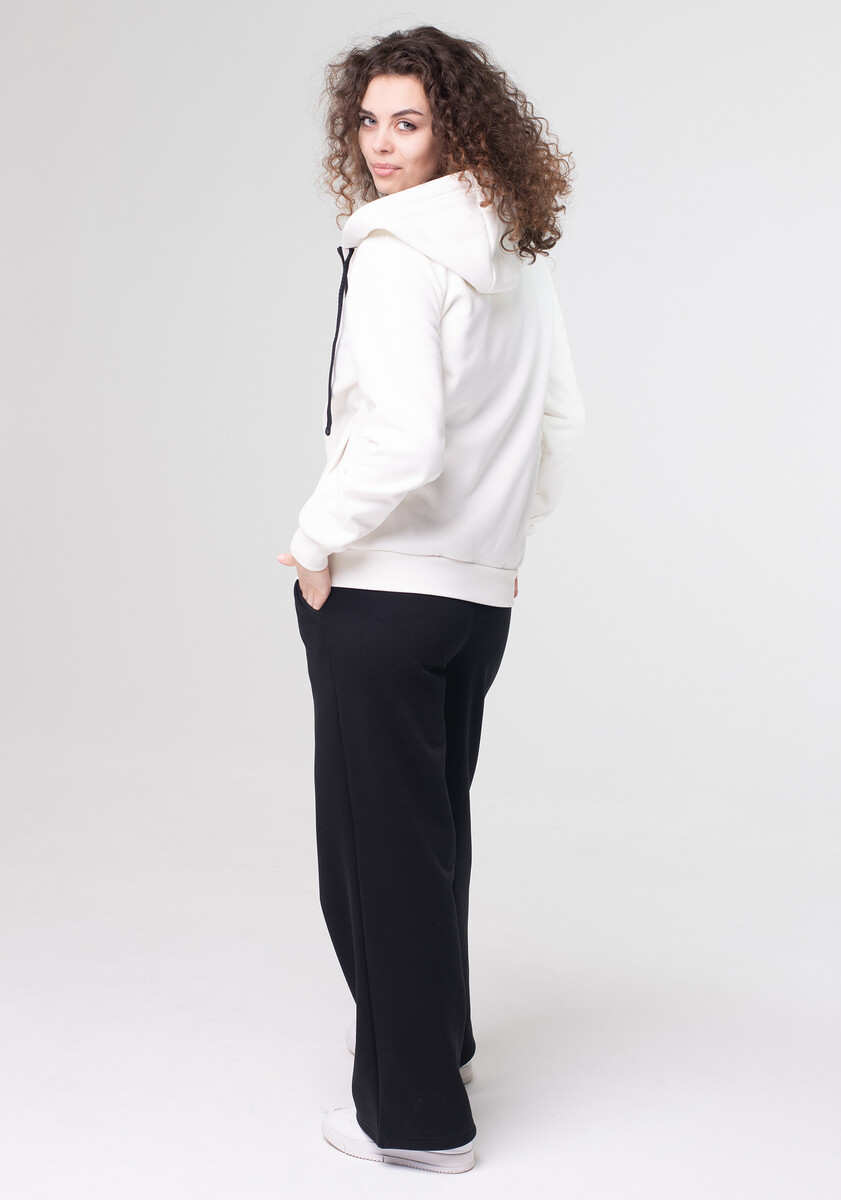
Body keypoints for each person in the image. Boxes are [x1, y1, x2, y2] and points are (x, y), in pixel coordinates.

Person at [278, 25, 586, 1174]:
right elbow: (558, 422)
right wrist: (495, 542)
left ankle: (413, 1121)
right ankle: (439, 1046)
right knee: (429, 837)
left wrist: (314, 540)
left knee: (375, 857)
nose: (381, 145)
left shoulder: (398, 251)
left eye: (407, 121)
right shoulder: (515, 247)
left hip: (382, 597)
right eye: (368, 121)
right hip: (475, 603)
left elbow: (402, 441)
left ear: (454, 126)